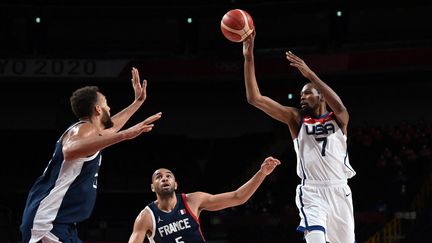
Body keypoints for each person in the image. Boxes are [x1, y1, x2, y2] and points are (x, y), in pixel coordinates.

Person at [20, 67, 162, 243]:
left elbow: (111, 128)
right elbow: (70, 149)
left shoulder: (91, 133)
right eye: (106, 104)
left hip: (62, 224)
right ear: (98, 109)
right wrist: (125, 135)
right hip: (47, 224)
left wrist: (137, 103)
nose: (109, 107)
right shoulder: (83, 128)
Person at [242, 31, 356, 243]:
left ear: (320, 95)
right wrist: (249, 56)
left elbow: (339, 106)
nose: (302, 97)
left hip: (340, 190)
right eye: (301, 94)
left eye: (307, 93)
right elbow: (254, 99)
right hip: (312, 191)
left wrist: (310, 75)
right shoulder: (296, 118)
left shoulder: (339, 119)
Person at [128, 156, 281, 243]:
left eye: (168, 176)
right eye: (159, 177)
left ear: (176, 184)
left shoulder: (192, 201)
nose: (164, 179)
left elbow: (238, 197)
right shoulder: (146, 217)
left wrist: (262, 173)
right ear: (153, 187)